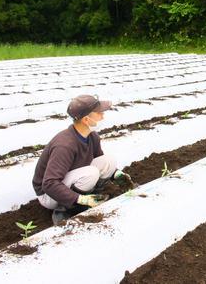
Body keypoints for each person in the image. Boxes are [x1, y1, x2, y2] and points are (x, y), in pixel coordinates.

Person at [32, 95, 133, 225]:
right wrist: (80, 199)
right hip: (49, 195)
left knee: (109, 161)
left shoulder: (92, 137)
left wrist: (117, 174)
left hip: (70, 179)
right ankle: (66, 209)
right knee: (91, 173)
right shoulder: (64, 145)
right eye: (99, 113)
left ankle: (93, 196)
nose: (103, 116)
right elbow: (49, 183)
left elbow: (99, 161)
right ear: (86, 119)